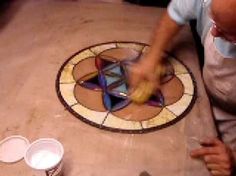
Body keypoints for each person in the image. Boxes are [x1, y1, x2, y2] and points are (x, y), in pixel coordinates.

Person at [129, 0, 236, 175]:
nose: (214, 31)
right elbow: (176, 12)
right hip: (206, 97)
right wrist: (152, 57)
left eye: (230, 34)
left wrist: (233, 158)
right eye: (213, 20)